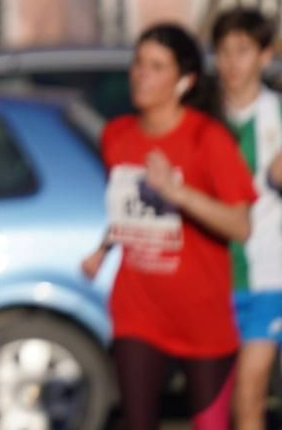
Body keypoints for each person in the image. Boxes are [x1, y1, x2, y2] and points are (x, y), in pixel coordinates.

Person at [80, 22, 255, 430]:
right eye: (138, 63)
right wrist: (103, 249)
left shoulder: (206, 138)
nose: (142, 75)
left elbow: (240, 225)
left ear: (184, 80)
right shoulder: (117, 135)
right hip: (138, 308)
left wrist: (179, 194)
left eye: (157, 67)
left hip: (201, 314)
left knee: (210, 425)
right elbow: (128, 210)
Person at [213, 8, 282, 430]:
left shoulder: (278, 114)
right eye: (223, 52)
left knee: (250, 398)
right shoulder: (203, 114)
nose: (231, 63)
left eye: (242, 51)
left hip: (266, 275)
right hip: (211, 276)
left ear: (264, 56)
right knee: (214, 406)